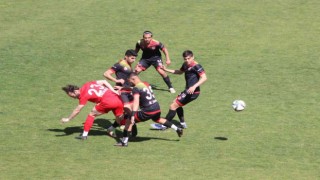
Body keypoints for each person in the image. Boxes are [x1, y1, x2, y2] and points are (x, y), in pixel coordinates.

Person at [114, 72, 183, 147]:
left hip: (148, 111)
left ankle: (124, 142)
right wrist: (123, 88)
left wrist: (133, 114)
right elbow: (137, 89)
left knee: (128, 119)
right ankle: (177, 129)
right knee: (158, 119)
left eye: (129, 81)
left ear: (133, 79)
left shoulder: (136, 89)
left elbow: (136, 102)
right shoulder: (145, 84)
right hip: (156, 107)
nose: (129, 83)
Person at [151, 50, 207, 130]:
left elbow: (204, 77)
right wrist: (166, 70)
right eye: (185, 59)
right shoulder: (185, 64)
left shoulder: (197, 66)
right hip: (188, 91)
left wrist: (194, 86)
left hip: (193, 92)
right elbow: (180, 72)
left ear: (193, 57)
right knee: (177, 104)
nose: (187, 61)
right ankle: (182, 123)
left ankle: (164, 125)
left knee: (173, 106)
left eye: (189, 58)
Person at [103, 49, 138, 136]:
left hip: (128, 90)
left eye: (135, 58)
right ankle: (123, 128)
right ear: (126, 57)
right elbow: (106, 73)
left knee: (127, 111)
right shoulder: (119, 64)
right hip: (122, 91)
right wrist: (116, 80)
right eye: (132, 58)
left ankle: (115, 127)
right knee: (126, 111)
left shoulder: (128, 65)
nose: (134, 60)